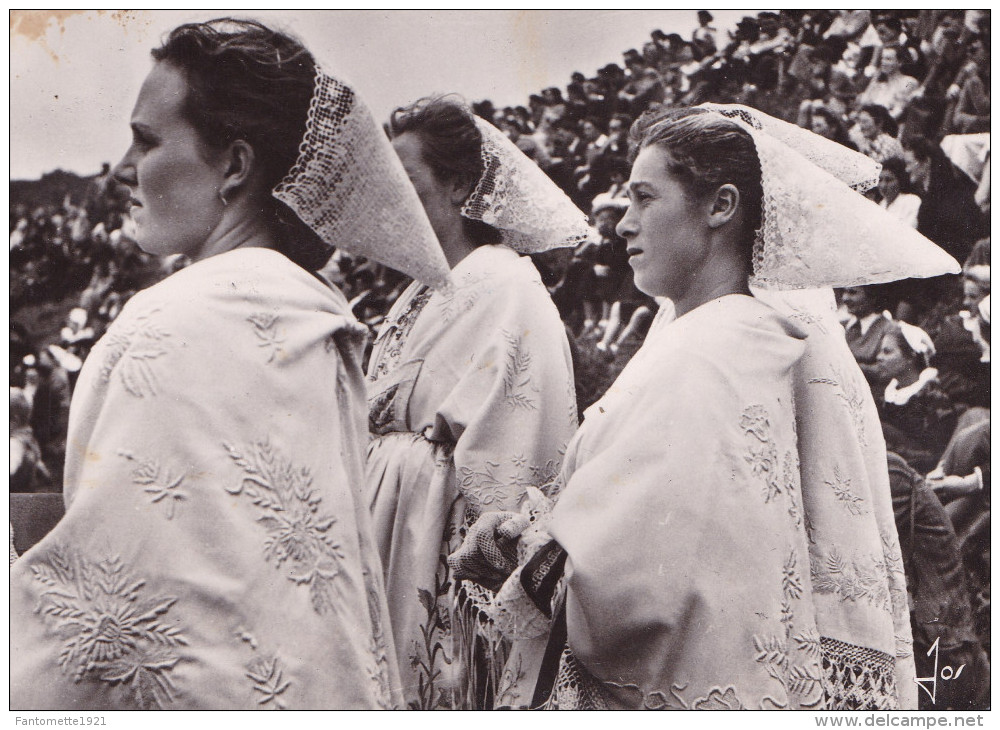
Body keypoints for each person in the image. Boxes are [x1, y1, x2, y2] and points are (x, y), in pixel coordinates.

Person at [450, 103, 960, 710]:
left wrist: (517, 549)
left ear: (721, 206)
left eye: (645, 198)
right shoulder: (725, 335)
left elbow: (643, 584)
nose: (623, 225)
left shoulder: (712, 352)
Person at [10, 18, 456, 710]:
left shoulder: (169, 322)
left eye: (147, 139)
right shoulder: (312, 313)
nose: (121, 169)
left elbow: (104, 627)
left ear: (236, 165)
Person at [367, 96, 585, 709]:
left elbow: (520, 441)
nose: (392, 199)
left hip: (435, 531)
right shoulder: (421, 286)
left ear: (460, 184)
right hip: (388, 511)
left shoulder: (506, 285)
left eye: (407, 182)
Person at [876, 322, 959, 473]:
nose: (879, 357)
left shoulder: (934, 398)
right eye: (880, 351)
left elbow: (935, 455)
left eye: (887, 352)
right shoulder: (885, 397)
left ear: (910, 357)